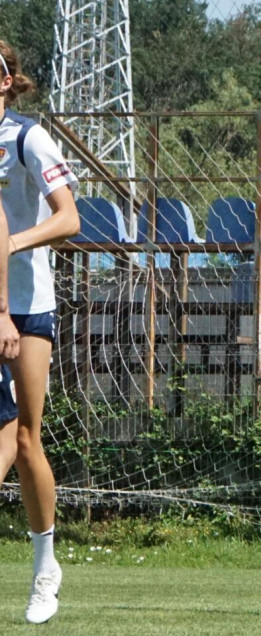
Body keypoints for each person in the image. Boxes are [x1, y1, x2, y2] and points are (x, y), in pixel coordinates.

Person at [0, 40, 81, 625]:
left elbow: (69, 218)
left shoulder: (27, 137)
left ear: (6, 82)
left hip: (26, 307)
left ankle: (45, 567)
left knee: (27, 440)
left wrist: (9, 244)